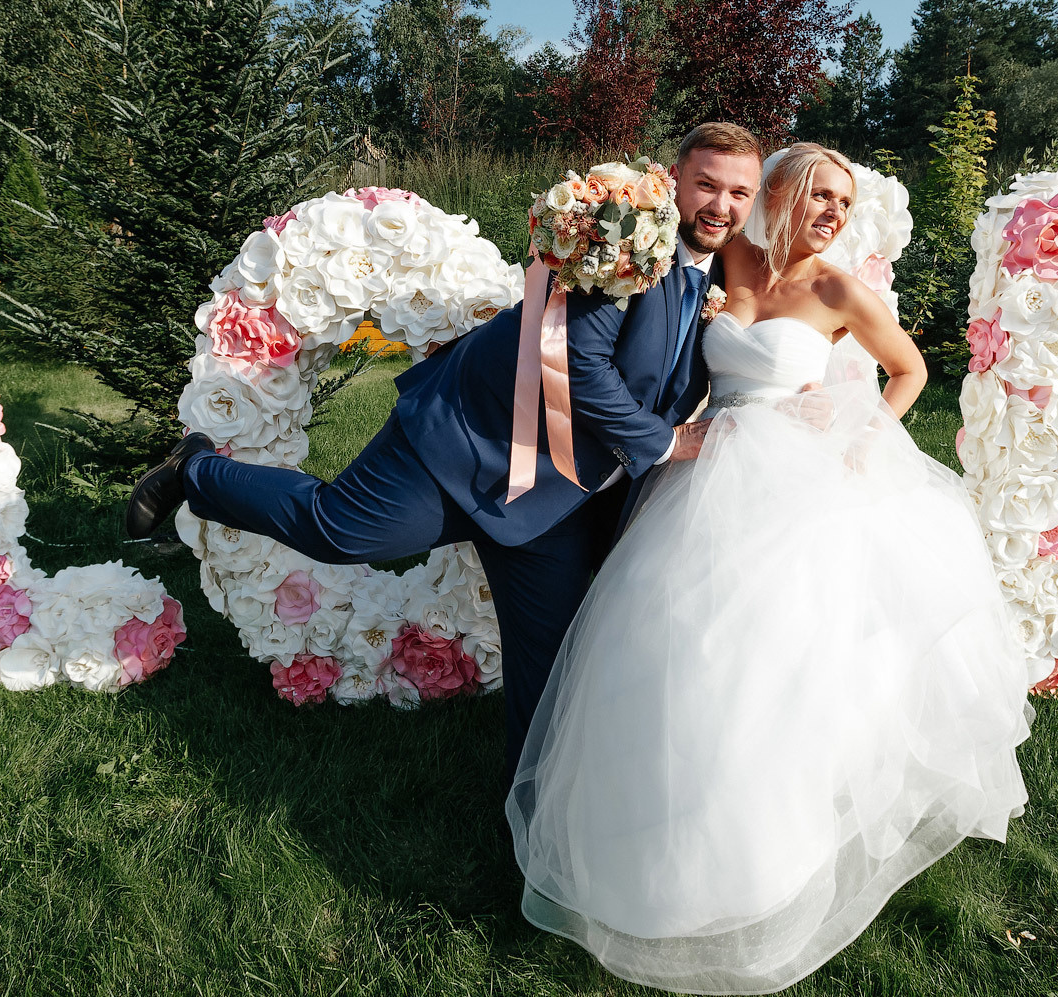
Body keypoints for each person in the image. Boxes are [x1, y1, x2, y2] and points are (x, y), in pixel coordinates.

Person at [506, 143, 1033, 995]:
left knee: (761, 666)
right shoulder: (722, 257)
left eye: (844, 201)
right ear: (779, 191)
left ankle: (761, 859)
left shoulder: (837, 289)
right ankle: (647, 844)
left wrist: (861, 429)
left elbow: (911, 370)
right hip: (701, 474)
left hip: (791, 481)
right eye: (819, 194)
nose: (832, 211)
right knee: (674, 652)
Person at [123, 122, 765, 779]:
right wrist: (666, 442)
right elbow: (576, 363)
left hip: (557, 501)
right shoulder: (623, 242)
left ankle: (532, 829)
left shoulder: (719, 280)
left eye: (739, 191)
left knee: (547, 671)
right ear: (672, 181)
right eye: (707, 184)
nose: (721, 204)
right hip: (464, 441)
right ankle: (195, 468)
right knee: (336, 528)